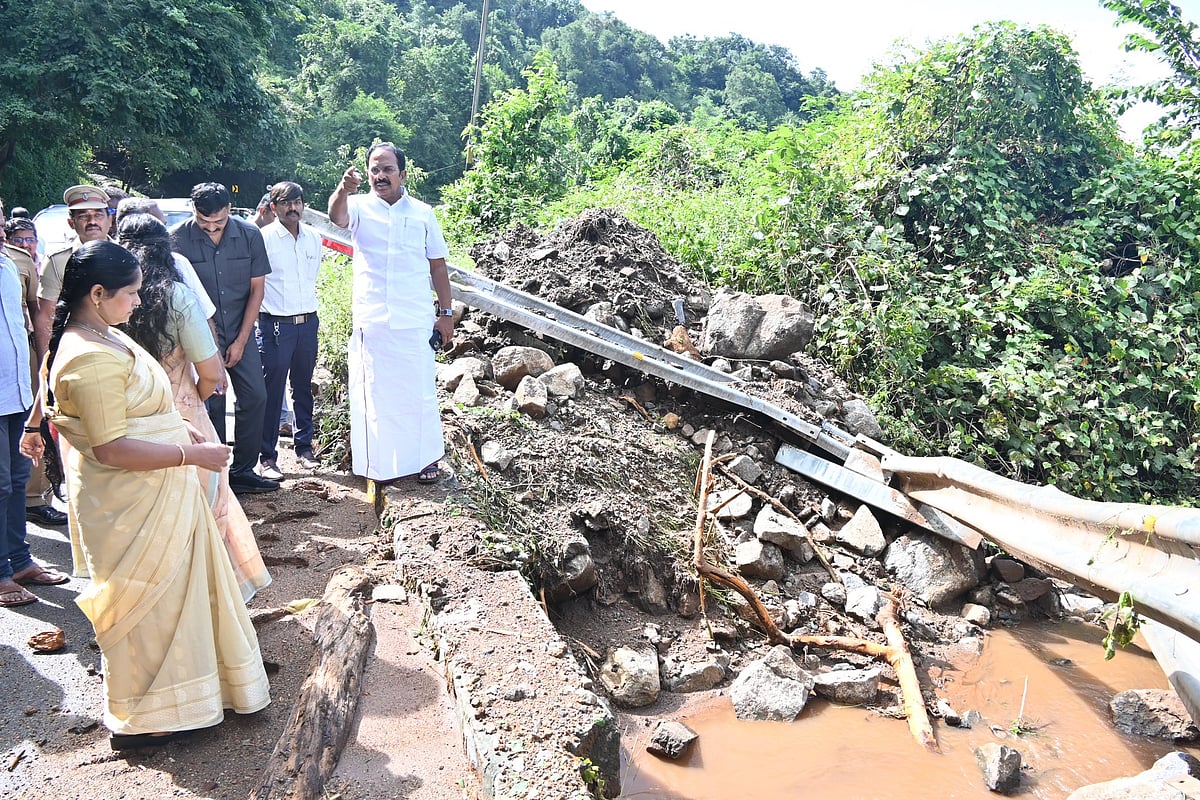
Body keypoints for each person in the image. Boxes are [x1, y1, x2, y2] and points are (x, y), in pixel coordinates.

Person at [19, 240, 270, 748]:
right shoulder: (85, 355)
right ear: (97, 293)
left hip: (157, 489)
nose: (138, 302)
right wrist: (189, 456)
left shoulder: (102, 334)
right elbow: (111, 448)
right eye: (130, 293)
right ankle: (146, 717)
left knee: (176, 598)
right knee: (148, 606)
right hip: (128, 499)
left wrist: (182, 427)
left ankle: (192, 698)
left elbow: (137, 408)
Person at [118, 214, 271, 602]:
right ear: (164, 249)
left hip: (127, 419)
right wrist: (194, 398)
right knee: (204, 506)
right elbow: (210, 370)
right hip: (182, 415)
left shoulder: (107, 299)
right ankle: (208, 595)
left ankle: (152, 597)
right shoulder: (177, 295)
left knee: (145, 513)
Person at [328, 142, 453, 485]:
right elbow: (336, 218)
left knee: (420, 392)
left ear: (402, 174)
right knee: (374, 394)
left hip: (414, 318)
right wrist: (343, 188)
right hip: (373, 321)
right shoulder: (357, 207)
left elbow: (437, 266)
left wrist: (446, 313)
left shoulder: (423, 213)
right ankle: (377, 468)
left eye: (387, 170)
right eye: (374, 170)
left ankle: (426, 460)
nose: (380, 176)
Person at [170, 182, 277, 493]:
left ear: (230, 210)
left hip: (241, 328)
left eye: (218, 222)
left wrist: (242, 340)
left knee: (256, 396)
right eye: (204, 223)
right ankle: (216, 475)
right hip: (197, 336)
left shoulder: (249, 235)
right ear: (193, 212)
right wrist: (210, 349)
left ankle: (244, 469)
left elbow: (257, 289)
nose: (211, 228)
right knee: (211, 402)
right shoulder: (176, 238)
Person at [0, 222, 68, 607]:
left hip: (16, 391)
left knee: (18, 479)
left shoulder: (11, 266)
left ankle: (21, 561)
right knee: (0, 484)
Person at [257, 182, 322, 479]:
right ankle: (267, 457)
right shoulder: (264, 239)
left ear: (303, 205)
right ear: (274, 207)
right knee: (272, 391)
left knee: (303, 387)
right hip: (275, 325)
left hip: (307, 322)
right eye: (285, 203)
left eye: (297, 202)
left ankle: (304, 448)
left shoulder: (313, 238)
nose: (292, 208)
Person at [36, 185, 113, 359]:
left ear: (110, 220)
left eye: (98, 215)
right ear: (71, 223)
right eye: (83, 216)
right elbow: (47, 316)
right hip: (76, 348)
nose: (92, 221)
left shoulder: (125, 255)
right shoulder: (57, 260)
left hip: (120, 343)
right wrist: (47, 365)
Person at [115, 198, 217, 323]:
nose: (165, 233)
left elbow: (205, 316)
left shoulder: (178, 262)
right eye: (157, 226)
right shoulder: (107, 267)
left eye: (164, 225)